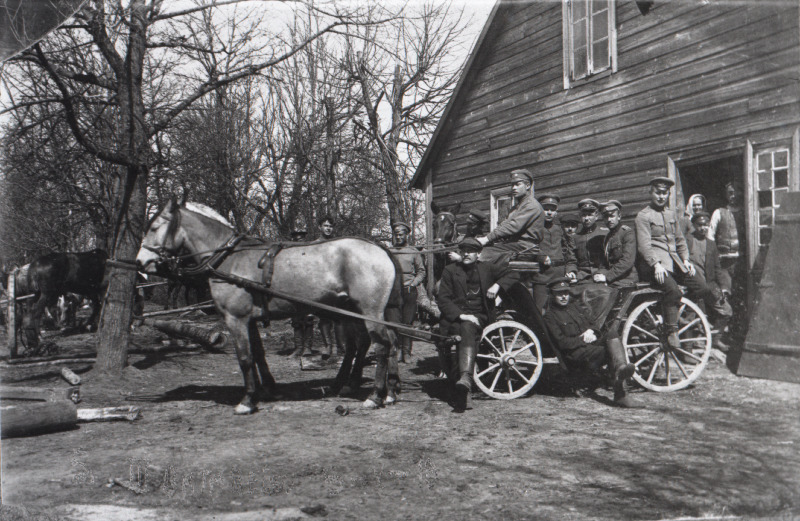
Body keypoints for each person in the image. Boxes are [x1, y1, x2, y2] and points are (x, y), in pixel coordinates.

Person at [437, 238, 518, 412]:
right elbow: (443, 299)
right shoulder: (450, 270)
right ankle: (465, 383)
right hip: (456, 318)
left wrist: (497, 286)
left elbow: (513, 274)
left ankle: (465, 381)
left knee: (467, 328)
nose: (466, 254)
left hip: (481, 317)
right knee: (464, 328)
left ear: (479, 254)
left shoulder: (487, 268)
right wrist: (462, 315)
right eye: (463, 251)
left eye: (471, 251)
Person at [635, 177, 715, 349]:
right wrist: (656, 264)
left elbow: (679, 239)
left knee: (702, 287)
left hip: (674, 262)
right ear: (651, 193)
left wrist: (685, 259)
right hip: (654, 265)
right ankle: (671, 330)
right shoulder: (643, 216)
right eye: (658, 193)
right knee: (673, 290)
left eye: (665, 193)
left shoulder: (671, 214)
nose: (661, 196)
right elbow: (644, 246)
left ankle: (680, 317)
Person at [543, 277, 640, 408]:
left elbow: (593, 323)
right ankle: (621, 393)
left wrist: (592, 331)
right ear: (552, 295)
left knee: (611, 334)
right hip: (576, 353)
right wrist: (582, 339)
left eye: (566, 292)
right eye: (559, 293)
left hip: (590, 346)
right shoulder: (550, 316)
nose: (564, 296)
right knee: (610, 352)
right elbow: (562, 343)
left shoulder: (574, 307)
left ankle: (621, 368)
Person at [685, 211, 734, 350]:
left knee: (726, 310)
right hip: (692, 287)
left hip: (709, 286)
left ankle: (715, 340)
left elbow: (718, 268)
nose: (703, 228)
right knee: (689, 318)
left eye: (706, 225)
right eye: (700, 225)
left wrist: (724, 287)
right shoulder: (687, 241)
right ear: (694, 225)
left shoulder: (711, 244)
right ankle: (687, 348)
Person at [477, 169, 545, 266]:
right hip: (514, 245)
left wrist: (487, 238)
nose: (514, 188)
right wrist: (489, 239)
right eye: (512, 185)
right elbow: (504, 224)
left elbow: (513, 226)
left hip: (526, 247)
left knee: (482, 255)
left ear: (527, 186)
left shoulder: (532, 205)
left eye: (517, 184)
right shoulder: (517, 207)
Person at [707, 182, 746, 329]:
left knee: (740, 294)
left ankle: (737, 329)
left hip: (740, 260)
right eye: (730, 193)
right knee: (725, 294)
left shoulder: (746, 212)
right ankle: (721, 332)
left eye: (736, 192)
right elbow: (710, 236)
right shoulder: (719, 212)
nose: (733, 196)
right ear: (726, 194)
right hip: (724, 262)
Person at [532, 193, 577, 312]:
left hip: (559, 276)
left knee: (559, 309)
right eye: (546, 209)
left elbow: (568, 252)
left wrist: (571, 269)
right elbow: (528, 246)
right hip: (542, 275)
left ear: (556, 212)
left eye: (552, 210)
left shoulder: (559, 229)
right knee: (540, 309)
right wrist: (541, 256)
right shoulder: (533, 228)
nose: (549, 213)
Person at [389, 221, 426, 363]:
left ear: (406, 235)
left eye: (401, 234)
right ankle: (397, 350)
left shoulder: (413, 251)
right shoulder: (390, 252)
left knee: (407, 321)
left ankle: (406, 352)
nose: (398, 237)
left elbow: (421, 271)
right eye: (396, 234)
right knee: (395, 321)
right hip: (393, 292)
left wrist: (414, 283)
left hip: (409, 290)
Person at [313, 215, 345, 358]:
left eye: (330, 226)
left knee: (339, 317)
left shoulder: (337, 244)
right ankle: (328, 347)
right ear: (320, 227)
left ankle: (341, 347)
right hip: (321, 285)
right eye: (325, 226)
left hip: (336, 285)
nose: (328, 229)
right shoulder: (314, 245)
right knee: (324, 318)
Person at [594, 200, 638, 288]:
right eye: (606, 217)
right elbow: (605, 262)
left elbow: (627, 261)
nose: (609, 220)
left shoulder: (627, 233)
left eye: (612, 216)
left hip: (627, 279)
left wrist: (607, 277)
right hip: (614, 279)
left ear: (619, 216)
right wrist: (599, 274)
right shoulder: (607, 237)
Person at [289, 226, 315, 357]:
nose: (299, 241)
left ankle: (307, 347)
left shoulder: (310, 254)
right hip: (294, 291)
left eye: (301, 238)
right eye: (296, 238)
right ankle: (298, 348)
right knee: (296, 320)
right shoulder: (289, 255)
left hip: (308, 291)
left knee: (309, 319)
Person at [573, 199, 608, 284]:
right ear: (580, 217)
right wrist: (572, 272)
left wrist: (603, 273)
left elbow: (611, 259)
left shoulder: (605, 234)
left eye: (590, 215)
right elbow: (572, 260)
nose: (586, 218)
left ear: (596, 216)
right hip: (582, 277)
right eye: (584, 215)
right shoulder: (575, 237)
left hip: (602, 276)